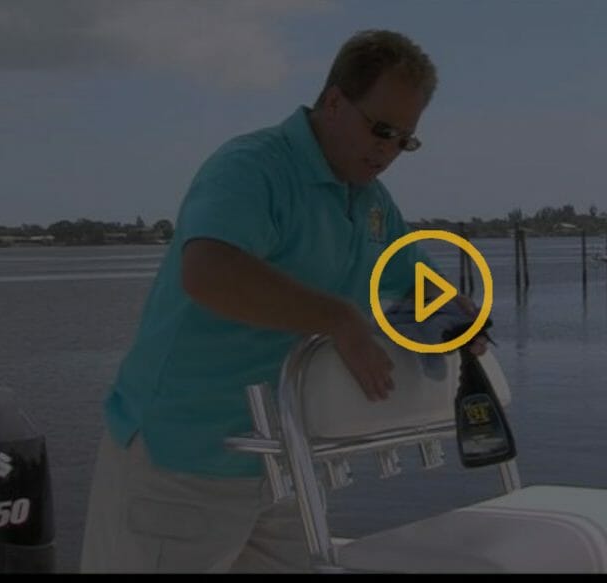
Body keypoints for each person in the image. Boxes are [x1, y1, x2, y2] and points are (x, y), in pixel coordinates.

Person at [79, 29, 485, 573]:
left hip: (284, 464)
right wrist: (338, 319)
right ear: (335, 101)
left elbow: (416, 280)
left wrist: (462, 320)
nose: (388, 151)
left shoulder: (370, 202)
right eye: (381, 130)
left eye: (404, 140)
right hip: (182, 462)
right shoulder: (252, 167)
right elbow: (208, 271)